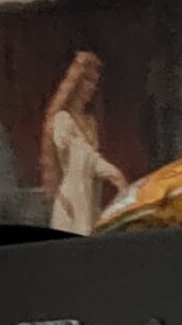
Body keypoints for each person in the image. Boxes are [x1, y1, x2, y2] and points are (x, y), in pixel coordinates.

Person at [41, 52, 126, 234]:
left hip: (89, 203)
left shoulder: (90, 122)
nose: (91, 87)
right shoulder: (63, 120)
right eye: (88, 80)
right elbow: (83, 156)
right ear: (77, 82)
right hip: (72, 204)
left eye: (94, 82)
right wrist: (113, 173)